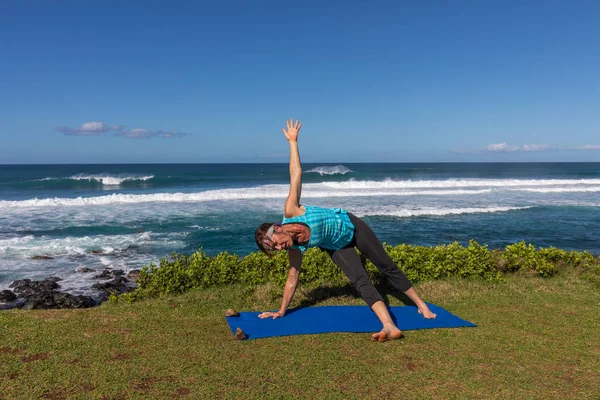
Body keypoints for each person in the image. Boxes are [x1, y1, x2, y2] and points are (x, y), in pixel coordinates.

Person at [254, 119, 437, 342]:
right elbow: (293, 278)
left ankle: (421, 305)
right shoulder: (296, 248)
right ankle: (388, 325)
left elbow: (296, 175)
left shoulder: (292, 211)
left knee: (385, 264)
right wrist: (281, 310)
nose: (281, 248)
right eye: (276, 249)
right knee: (360, 281)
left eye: (277, 243)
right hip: (338, 247)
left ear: (278, 229)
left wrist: (293, 142)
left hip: (353, 227)